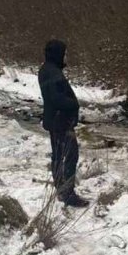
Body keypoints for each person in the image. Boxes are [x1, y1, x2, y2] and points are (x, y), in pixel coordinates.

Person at [38, 40, 88, 207]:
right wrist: (74, 104)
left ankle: (62, 189)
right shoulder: (51, 72)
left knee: (60, 154)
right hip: (60, 121)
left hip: (57, 120)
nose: (66, 56)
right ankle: (67, 193)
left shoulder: (50, 70)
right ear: (57, 53)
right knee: (68, 155)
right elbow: (56, 98)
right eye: (64, 53)